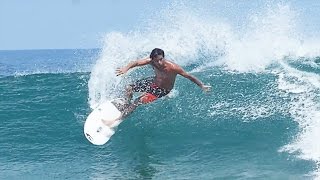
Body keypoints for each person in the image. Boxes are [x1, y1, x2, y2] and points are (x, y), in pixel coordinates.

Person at [116, 48, 211, 117]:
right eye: (157, 60)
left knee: (138, 101)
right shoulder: (151, 62)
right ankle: (126, 105)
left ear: (164, 57)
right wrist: (125, 68)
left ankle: (120, 118)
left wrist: (201, 85)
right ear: (152, 59)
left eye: (161, 59)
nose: (160, 62)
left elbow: (189, 76)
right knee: (129, 88)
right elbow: (136, 63)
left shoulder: (173, 67)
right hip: (153, 82)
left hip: (163, 90)